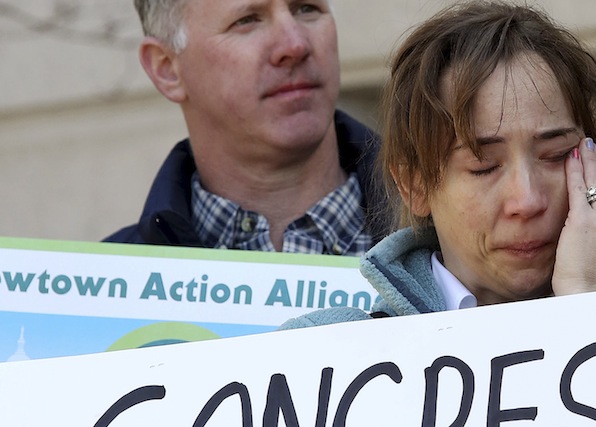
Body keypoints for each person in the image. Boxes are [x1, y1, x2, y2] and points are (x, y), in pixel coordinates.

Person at [280, 0, 596, 329]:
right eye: (483, 165)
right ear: (414, 185)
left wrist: (589, 308)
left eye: (556, 156)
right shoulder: (320, 351)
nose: (526, 201)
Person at [106, 0, 388, 254]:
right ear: (166, 68)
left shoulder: (429, 243)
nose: (295, 45)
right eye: (247, 20)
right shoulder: (105, 293)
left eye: (306, 8)